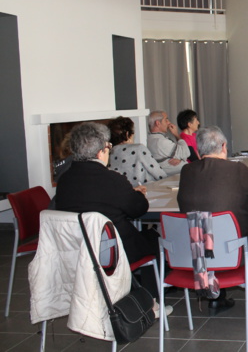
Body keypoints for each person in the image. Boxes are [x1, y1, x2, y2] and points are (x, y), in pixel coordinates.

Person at [52, 122, 169, 316]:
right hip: (113, 253)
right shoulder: (112, 180)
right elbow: (138, 209)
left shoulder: (64, 181)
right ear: (100, 152)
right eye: (108, 147)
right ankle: (151, 304)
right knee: (154, 239)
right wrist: (136, 194)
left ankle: (129, 292)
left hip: (77, 250)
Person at [176, 126, 248, 317]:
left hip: (197, 252)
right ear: (224, 146)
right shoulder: (238, 169)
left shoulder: (187, 171)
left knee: (212, 232)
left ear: (198, 150)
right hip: (233, 252)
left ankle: (217, 299)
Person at [108, 116, 167, 185]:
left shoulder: (110, 152)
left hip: (125, 191)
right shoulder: (138, 148)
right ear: (127, 134)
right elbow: (158, 173)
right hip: (144, 190)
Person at [147, 110, 191, 176]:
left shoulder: (152, 139)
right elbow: (186, 153)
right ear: (158, 123)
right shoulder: (160, 141)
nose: (169, 122)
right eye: (166, 120)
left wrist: (180, 159)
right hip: (173, 178)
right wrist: (176, 134)